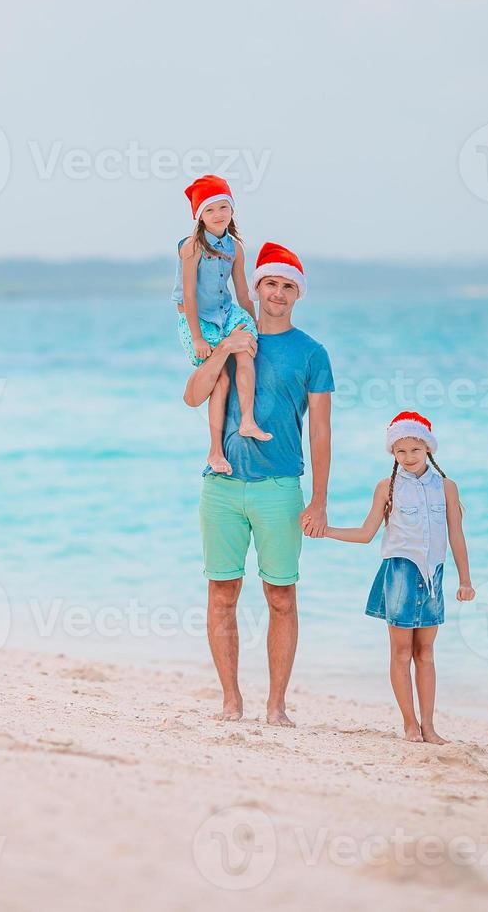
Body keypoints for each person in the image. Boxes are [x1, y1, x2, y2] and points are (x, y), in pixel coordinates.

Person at [182, 243, 333, 726]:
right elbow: (192, 396)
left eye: (288, 286)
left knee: (281, 596)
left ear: (297, 295)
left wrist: (320, 501)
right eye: (270, 283)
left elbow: (322, 431)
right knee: (221, 592)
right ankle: (231, 701)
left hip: (279, 487)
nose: (278, 293)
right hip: (223, 485)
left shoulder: (312, 353)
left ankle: (276, 706)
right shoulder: (232, 335)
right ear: (256, 287)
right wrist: (225, 348)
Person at [322, 412, 476, 744]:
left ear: (428, 449)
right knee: (401, 652)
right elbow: (366, 534)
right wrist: (327, 531)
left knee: (427, 652)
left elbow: (456, 536)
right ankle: (409, 725)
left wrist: (465, 579)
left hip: (433, 575)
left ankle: (429, 726)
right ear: (393, 452)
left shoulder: (446, 487)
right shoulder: (387, 487)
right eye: (401, 451)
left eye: (415, 451)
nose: (408, 458)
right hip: (400, 575)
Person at [171, 174, 268, 476]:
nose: (218, 215)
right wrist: (199, 338)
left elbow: (241, 291)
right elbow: (188, 296)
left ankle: (247, 421)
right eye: (210, 210)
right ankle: (215, 451)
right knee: (221, 379)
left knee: (246, 351)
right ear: (200, 217)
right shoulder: (192, 246)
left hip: (225, 312)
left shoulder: (235, 247)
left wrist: (254, 324)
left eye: (223, 207)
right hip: (196, 317)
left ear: (232, 210)